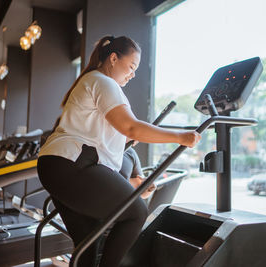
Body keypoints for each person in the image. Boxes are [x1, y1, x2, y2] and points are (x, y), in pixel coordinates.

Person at [37, 35, 201, 267]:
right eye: (131, 66)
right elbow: (131, 127)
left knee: (88, 242)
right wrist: (180, 137)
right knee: (135, 214)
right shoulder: (104, 82)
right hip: (71, 163)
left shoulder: (91, 80)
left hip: (55, 165)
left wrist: (125, 145)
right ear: (113, 58)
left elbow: (109, 132)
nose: (133, 74)